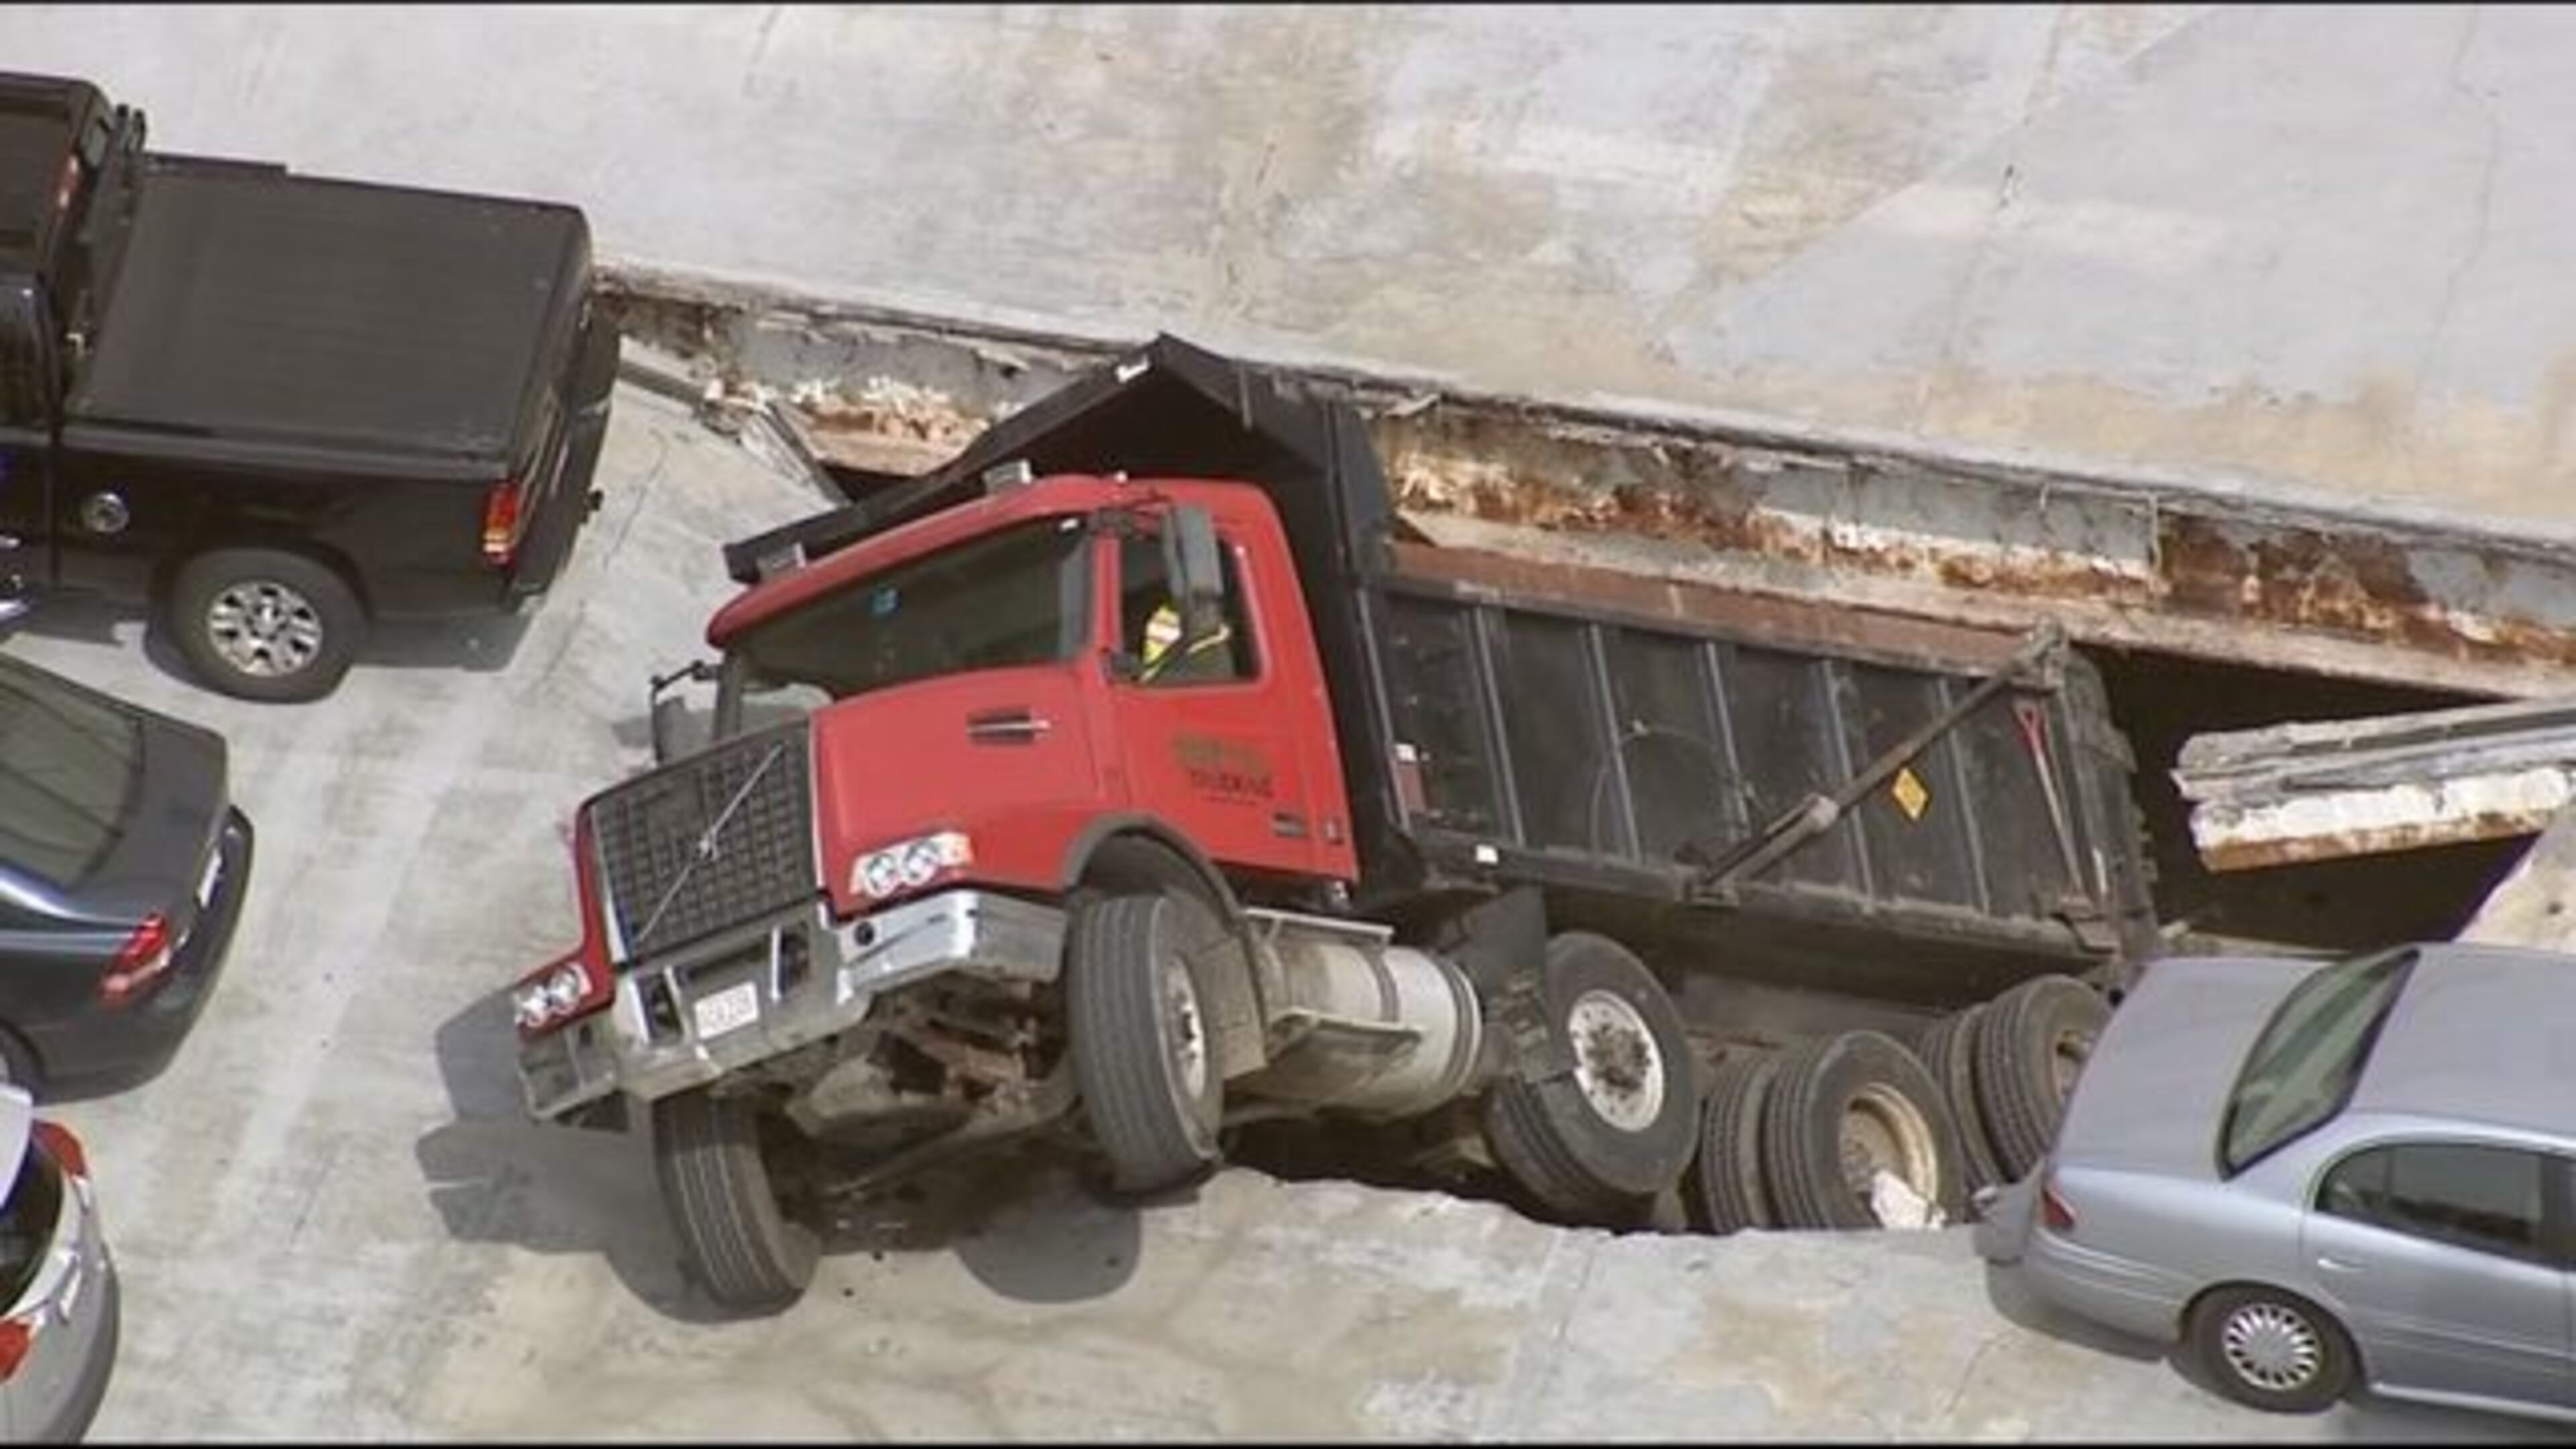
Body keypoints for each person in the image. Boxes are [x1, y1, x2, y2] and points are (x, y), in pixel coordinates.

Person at [1138, 598, 1235, 684]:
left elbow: (1166, 683)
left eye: (1199, 608)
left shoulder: (1215, 655)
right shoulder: (1188, 643)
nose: (1186, 615)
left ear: (1218, 617)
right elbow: (1154, 669)